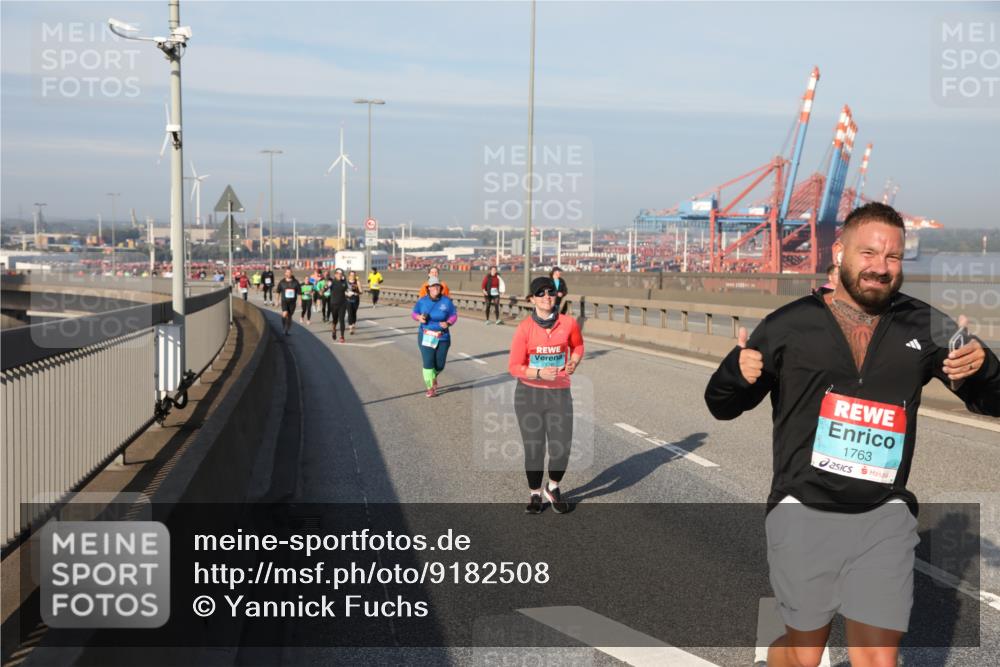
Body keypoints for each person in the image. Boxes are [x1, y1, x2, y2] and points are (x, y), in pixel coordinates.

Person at [703, 203, 1000, 667]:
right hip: (803, 507)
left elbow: (992, 400)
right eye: (869, 254)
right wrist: (734, 374)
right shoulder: (789, 324)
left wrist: (984, 369)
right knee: (804, 655)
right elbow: (721, 406)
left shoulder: (926, 325)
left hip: (884, 514)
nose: (880, 268)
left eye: (894, 258)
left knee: (878, 660)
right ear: (840, 252)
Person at [508, 276, 584, 515]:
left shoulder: (569, 323)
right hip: (529, 395)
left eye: (551, 291)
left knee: (562, 448)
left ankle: (553, 488)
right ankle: (534, 494)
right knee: (535, 448)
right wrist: (539, 373)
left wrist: (573, 361)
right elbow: (514, 366)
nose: (546, 296)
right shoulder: (524, 329)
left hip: (560, 394)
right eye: (540, 293)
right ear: (531, 299)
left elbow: (578, 346)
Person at [411, 276, 458, 397]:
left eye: (437, 286)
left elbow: (454, 315)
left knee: (440, 365)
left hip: (443, 337)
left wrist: (448, 323)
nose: (435, 288)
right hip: (426, 335)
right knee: (428, 363)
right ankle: (430, 388)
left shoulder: (446, 301)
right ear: (428, 288)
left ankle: (433, 377)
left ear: (440, 288)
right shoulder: (422, 301)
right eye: (433, 286)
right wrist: (419, 317)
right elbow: (414, 313)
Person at [276, 268, 300, 336]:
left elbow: (299, 292)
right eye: (287, 272)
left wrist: (299, 301)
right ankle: (284, 327)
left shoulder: (296, 282)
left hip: (292, 302)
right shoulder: (282, 282)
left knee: (289, 316)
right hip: (284, 301)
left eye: (290, 272)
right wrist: (277, 301)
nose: (288, 274)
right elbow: (278, 292)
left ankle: (287, 329)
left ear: (291, 273)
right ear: (285, 273)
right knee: (284, 314)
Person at [328, 268, 349, 343]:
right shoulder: (332, 282)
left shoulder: (344, 282)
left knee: (342, 320)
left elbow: (348, 290)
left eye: (341, 274)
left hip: (342, 303)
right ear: (335, 275)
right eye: (338, 274)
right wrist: (324, 288)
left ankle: (342, 336)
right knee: (335, 320)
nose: (340, 275)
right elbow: (327, 287)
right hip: (334, 304)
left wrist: (349, 293)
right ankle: (334, 329)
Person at [346, 271, 363, 335]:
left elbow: (361, 291)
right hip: (348, 299)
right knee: (350, 313)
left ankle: (353, 324)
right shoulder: (346, 282)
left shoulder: (357, 282)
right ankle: (350, 328)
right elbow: (343, 291)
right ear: (349, 276)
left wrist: (356, 293)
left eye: (354, 275)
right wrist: (346, 293)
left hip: (356, 299)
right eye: (351, 275)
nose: (352, 276)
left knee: (354, 313)